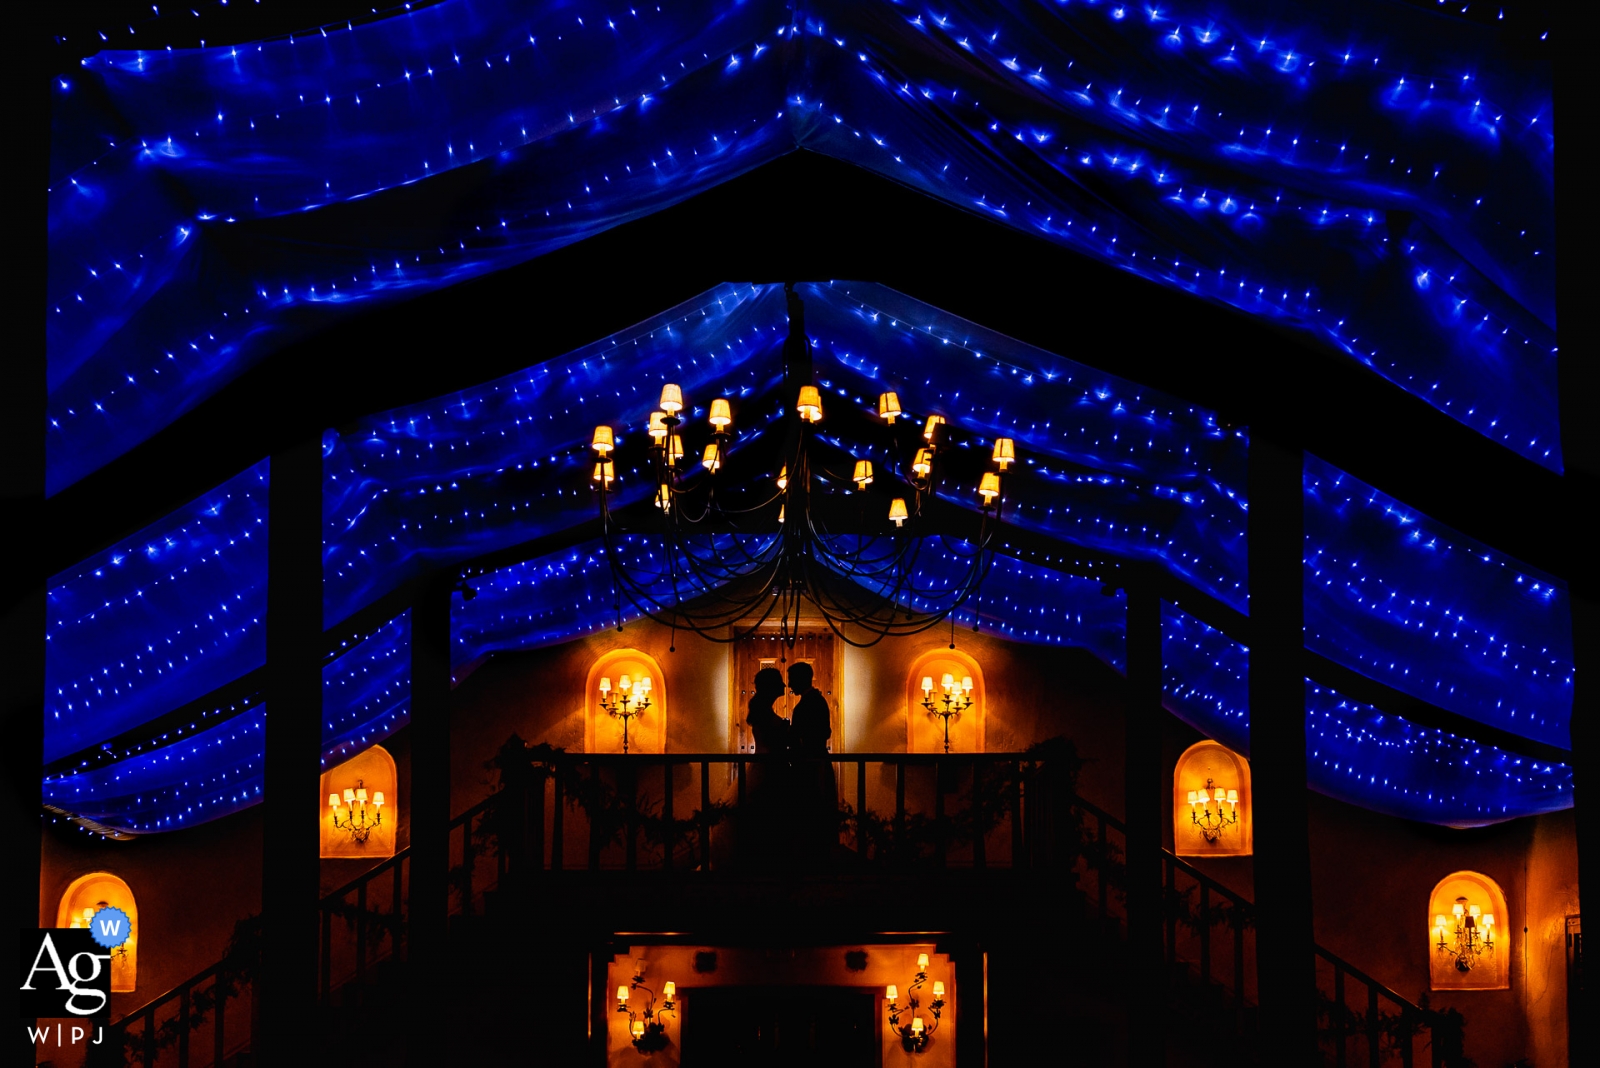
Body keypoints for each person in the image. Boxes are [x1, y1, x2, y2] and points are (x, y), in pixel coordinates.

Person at [786, 662, 839, 863]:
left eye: (791, 679)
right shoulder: (816, 700)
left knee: (812, 810)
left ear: (802, 678)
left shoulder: (810, 703)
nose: (789, 684)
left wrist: (792, 736)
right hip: (813, 763)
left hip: (811, 765)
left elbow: (818, 734)